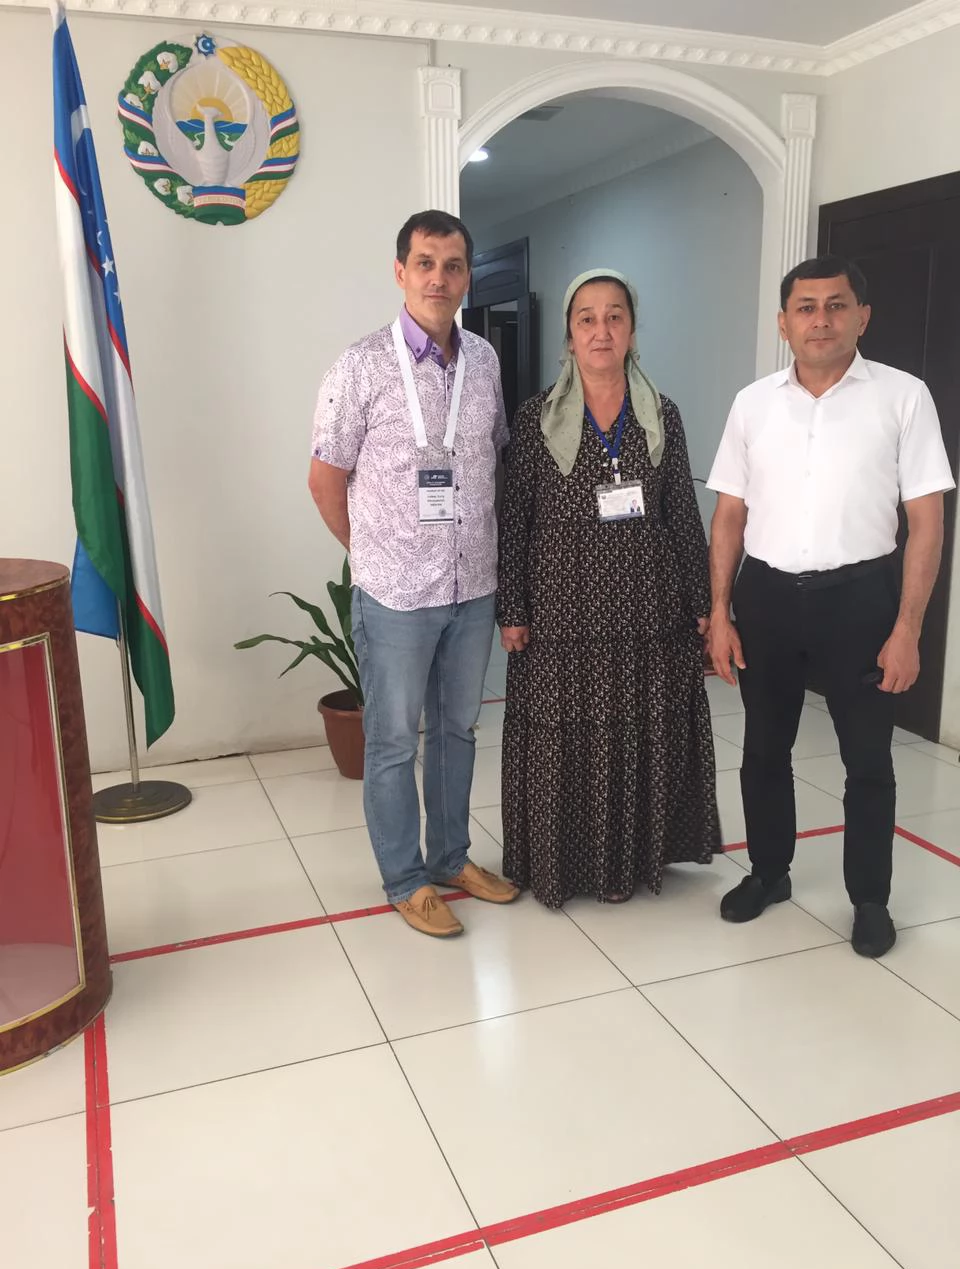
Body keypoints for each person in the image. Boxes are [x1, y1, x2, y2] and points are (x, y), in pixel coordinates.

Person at [707, 254, 955, 958]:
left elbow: (927, 523)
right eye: (806, 307)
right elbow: (729, 515)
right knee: (764, 748)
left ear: (862, 317)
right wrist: (720, 612)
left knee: (868, 759)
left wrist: (908, 628)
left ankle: (870, 899)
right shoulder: (753, 403)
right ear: (783, 323)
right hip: (766, 597)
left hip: (862, 600)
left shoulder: (904, 397)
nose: (821, 319)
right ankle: (769, 872)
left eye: (836, 305)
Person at [309, 210, 519, 938]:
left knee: (457, 731)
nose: (439, 278)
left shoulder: (485, 362)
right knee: (395, 742)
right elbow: (325, 480)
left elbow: (492, 458)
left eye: (453, 265)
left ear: (467, 278)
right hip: (396, 595)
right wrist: (371, 552)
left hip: (472, 589)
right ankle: (405, 879)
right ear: (400, 272)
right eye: (425, 263)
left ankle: (451, 858)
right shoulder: (360, 365)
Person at [497, 269, 721, 907]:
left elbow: (682, 513)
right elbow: (515, 522)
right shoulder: (536, 418)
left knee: (640, 733)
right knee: (563, 738)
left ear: (632, 331)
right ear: (569, 335)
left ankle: (638, 856)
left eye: (615, 316)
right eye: (587, 318)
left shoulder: (662, 415)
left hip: (649, 611)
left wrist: (702, 603)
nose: (602, 330)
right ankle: (563, 862)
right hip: (561, 614)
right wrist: (512, 608)